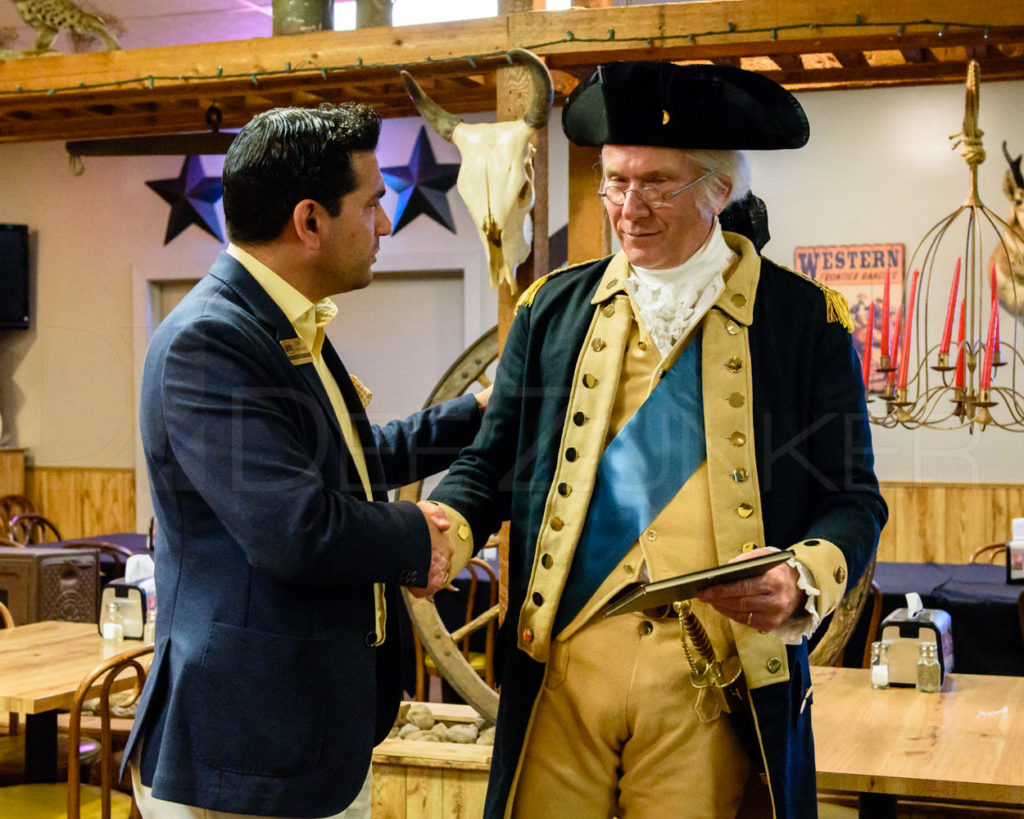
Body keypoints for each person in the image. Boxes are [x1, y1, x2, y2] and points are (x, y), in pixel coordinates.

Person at [428, 62, 888, 818]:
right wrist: (449, 524)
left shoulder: (804, 322)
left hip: (710, 681)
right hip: (562, 670)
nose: (627, 208)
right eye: (615, 181)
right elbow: (489, 461)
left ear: (716, 189)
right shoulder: (553, 309)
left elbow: (852, 497)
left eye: (656, 184)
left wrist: (801, 578)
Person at [124, 102, 487, 819]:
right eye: (374, 204)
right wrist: (422, 532)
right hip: (243, 747)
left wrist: (480, 411)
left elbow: (352, 459)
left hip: (298, 734)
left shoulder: (278, 322)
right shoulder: (210, 340)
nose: (384, 225)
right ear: (310, 220)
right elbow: (298, 529)